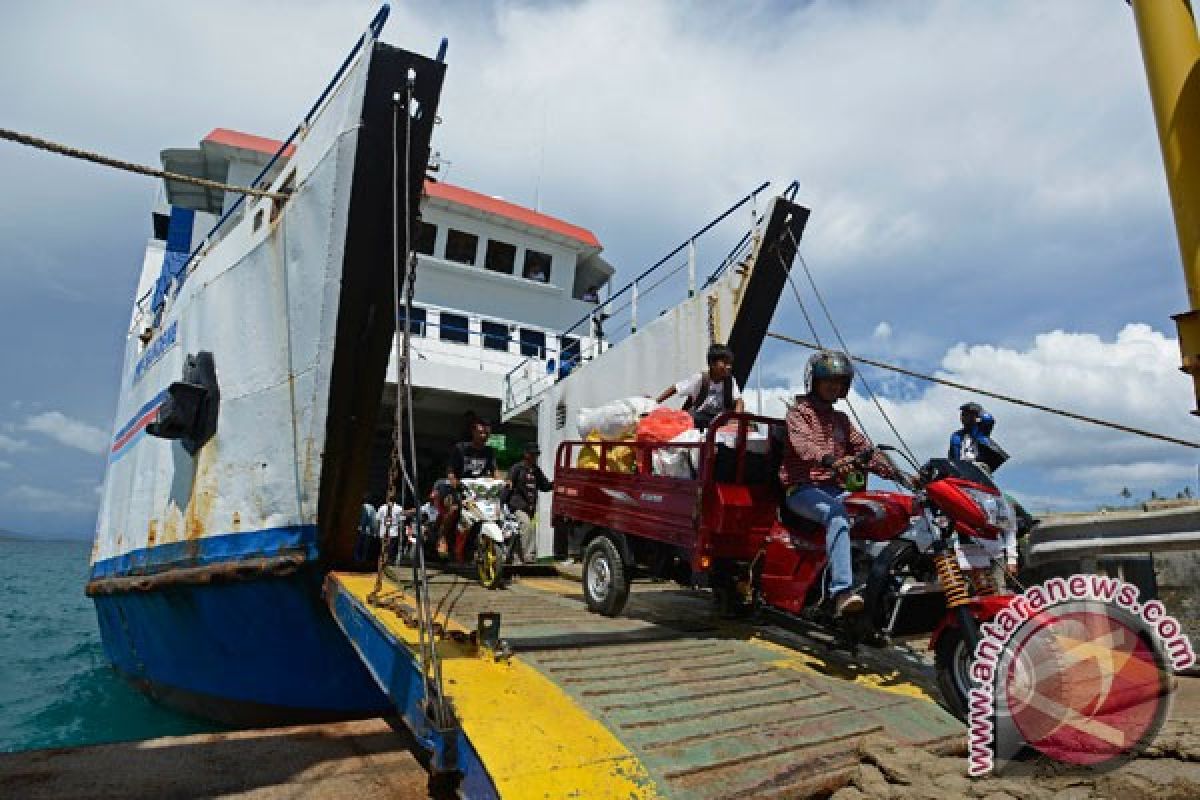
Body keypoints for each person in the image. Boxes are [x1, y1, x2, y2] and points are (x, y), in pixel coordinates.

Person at [780, 350, 898, 617]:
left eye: (839, 382)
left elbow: (864, 449)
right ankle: (842, 592)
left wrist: (900, 474)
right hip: (802, 490)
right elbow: (804, 446)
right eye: (828, 380)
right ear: (815, 382)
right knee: (837, 517)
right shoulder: (799, 414)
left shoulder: (841, 420)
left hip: (835, 490)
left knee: (883, 511)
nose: (833, 386)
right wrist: (831, 460)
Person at [436, 418, 498, 558]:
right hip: (458, 488)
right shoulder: (460, 448)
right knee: (454, 509)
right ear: (473, 432)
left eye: (487, 434)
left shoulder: (489, 452)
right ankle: (443, 537)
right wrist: (454, 482)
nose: (484, 436)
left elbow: (495, 472)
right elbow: (451, 471)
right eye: (481, 433)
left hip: (477, 491)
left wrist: (500, 483)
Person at [656, 342, 745, 430]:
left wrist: (735, 419)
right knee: (691, 417)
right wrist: (656, 402)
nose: (728, 367)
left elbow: (739, 401)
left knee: (746, 422)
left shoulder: (730, 381)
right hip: (700, 416)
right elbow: (675, 388)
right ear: (712, 364)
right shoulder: (700, 378)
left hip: (719, 418)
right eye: (725, 363)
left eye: (730, 363)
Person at [505, 442, 554, 563]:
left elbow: (545, 486)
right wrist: (502, 503)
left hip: (531, 508)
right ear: (526, 454)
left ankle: (516, 558)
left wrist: (557, 482)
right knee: (527, 525)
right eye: (532, 454)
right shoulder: (517, 468)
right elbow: (508, 485)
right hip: (517, 506)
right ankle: (529, 557)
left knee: (528, 529)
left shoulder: (536, 471)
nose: (534, 457)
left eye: (536, 455)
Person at [354, 497, 377, 564]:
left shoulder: (359, 506)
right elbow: (373, 521)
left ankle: (356, 558)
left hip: (359, 529)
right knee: (365, 546)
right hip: (368, 531)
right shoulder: (372, 508)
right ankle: (364, 559)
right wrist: (374, 532)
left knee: (357, 545)